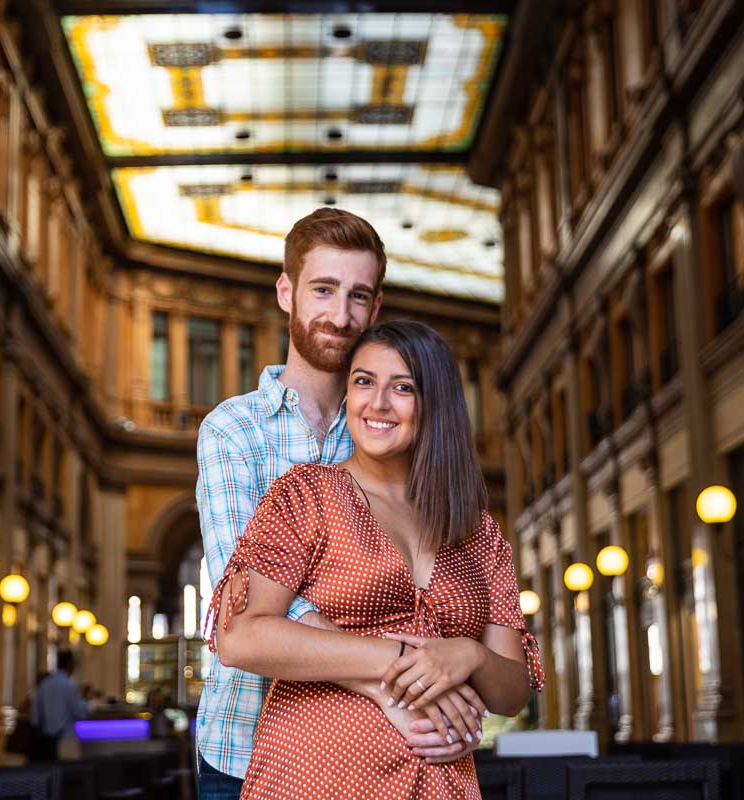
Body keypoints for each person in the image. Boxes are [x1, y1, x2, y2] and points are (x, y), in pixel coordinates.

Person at [195, 210, 482, 798]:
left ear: (376, 309)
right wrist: (396, 681)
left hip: (391, 753)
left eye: (358, 296)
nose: (340, 315)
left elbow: (438, 589)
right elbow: (241, 606)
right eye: (323, 290)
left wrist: (454, 665)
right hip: (245, 748)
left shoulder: (393, 429)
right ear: (286, 292)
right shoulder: (233, 431)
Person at [209, 320, 544, 799]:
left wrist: (466, 656)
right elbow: (239, 636)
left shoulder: (479, 532)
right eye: (363, 381)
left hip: (442, 783)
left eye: (402, 387)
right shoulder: (306, 496)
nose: (378, 403)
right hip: (314, 776)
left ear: (436, 403)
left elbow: (512, 693)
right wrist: (403, 660)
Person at [31, 649, 88, 762]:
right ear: (70, 665)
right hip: (66, 739)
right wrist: (85, 700)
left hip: (46, 740)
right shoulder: (69, 685)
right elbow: (80, 712)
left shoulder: (44, 684)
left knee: (50, 774)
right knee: (68, 775)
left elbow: (35, 716)